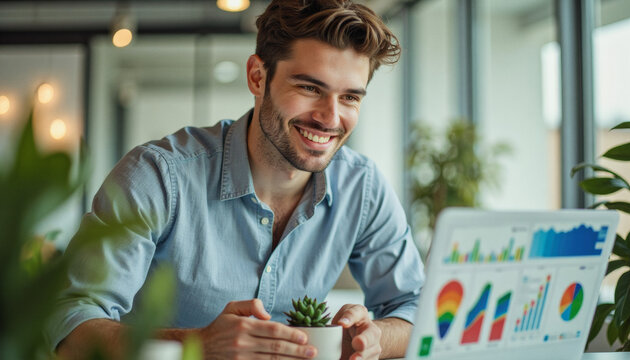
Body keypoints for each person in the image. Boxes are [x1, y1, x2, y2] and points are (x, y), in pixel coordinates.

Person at [49, 0, 425, 358]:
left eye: (350, 98)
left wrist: (375, 337)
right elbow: (69, 325)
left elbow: (416, 307)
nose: (329, 118)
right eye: (310, 88)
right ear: (257, 77)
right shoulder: (158, 176)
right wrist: (196, 345)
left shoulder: (363, 187)